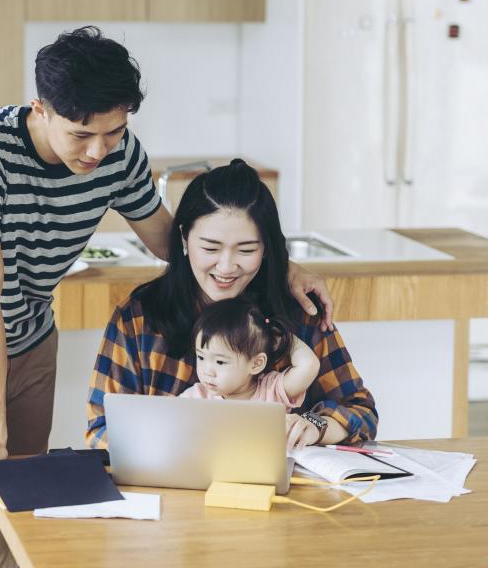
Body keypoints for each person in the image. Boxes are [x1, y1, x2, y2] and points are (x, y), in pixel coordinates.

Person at [0, 27, 336, 568]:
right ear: (41, 108)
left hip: (31, 338)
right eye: (82, 134)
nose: (98, 151)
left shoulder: (117, 151)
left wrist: (271, 261)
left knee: (24, 518)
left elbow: (168, 240)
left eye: (114, 131)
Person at [87, 159, 377, 452]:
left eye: (247, 249)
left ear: (266, 248)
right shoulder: (139, 318)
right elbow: (101, 430)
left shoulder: (299, 312)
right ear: (185, 239)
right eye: (210, 248)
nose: (226, 267)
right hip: (165, 489)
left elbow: (361, 412)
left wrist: (316, 426)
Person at [179, 297, 320, 418]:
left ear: (256, 364)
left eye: (220, 362)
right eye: (201, 357)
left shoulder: (272, 390)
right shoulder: (196, 397)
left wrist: (283, 338)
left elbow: (309, 365)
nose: (207, 371)